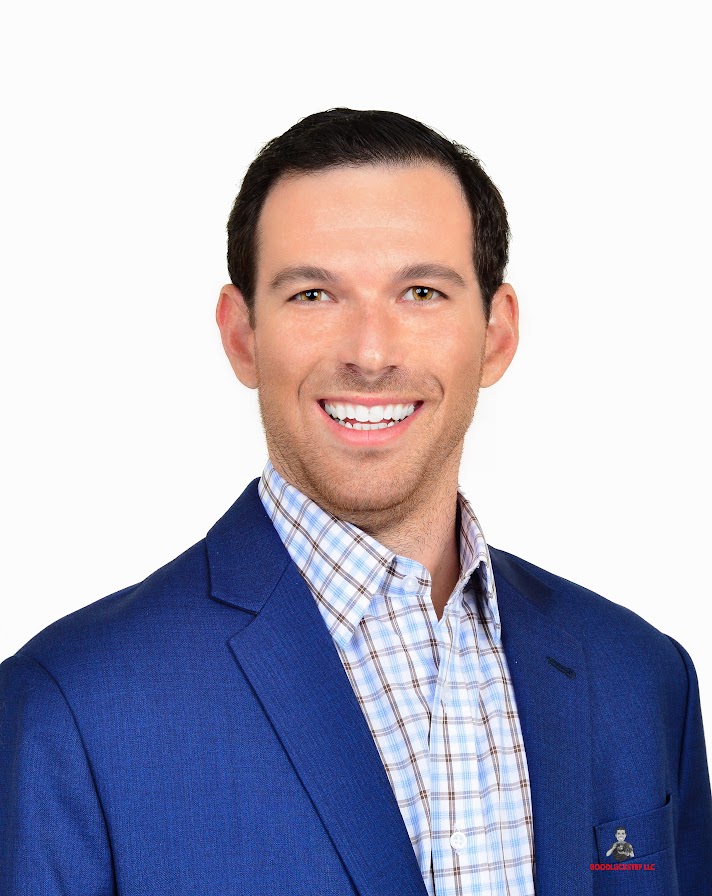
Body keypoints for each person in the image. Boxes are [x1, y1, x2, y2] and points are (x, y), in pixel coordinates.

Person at [1, 109, 710, 896]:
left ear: (496, 334)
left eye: (420, 291)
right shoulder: (68, 709)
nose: (370, 353)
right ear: (243, 336)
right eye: (312, 294)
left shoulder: (642, 677)